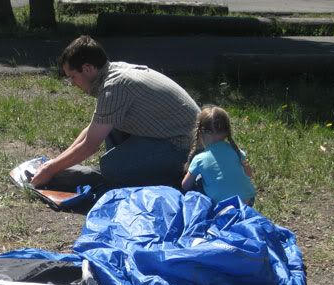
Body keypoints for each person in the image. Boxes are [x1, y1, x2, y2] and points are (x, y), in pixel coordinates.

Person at [30, 35, 200, 190]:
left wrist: (51, 169)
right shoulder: (112, 72)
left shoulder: (114, 87)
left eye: (73, 77)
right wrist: (55, 164)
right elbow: (93, 129)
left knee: (111, 168)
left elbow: (90, 144)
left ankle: (175, 177)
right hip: (171, 135)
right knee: (109, 132)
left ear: (87, 68)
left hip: (184, 147)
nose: (72, 83)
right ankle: (131, 169)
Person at [182, 105, 256, 205]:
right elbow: (249, 174)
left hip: (222, 206)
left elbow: (185, 185)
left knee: (199, 178)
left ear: (200, 132)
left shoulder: (199, 159)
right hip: (248, 201)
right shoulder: (237, 152)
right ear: (226, 132)